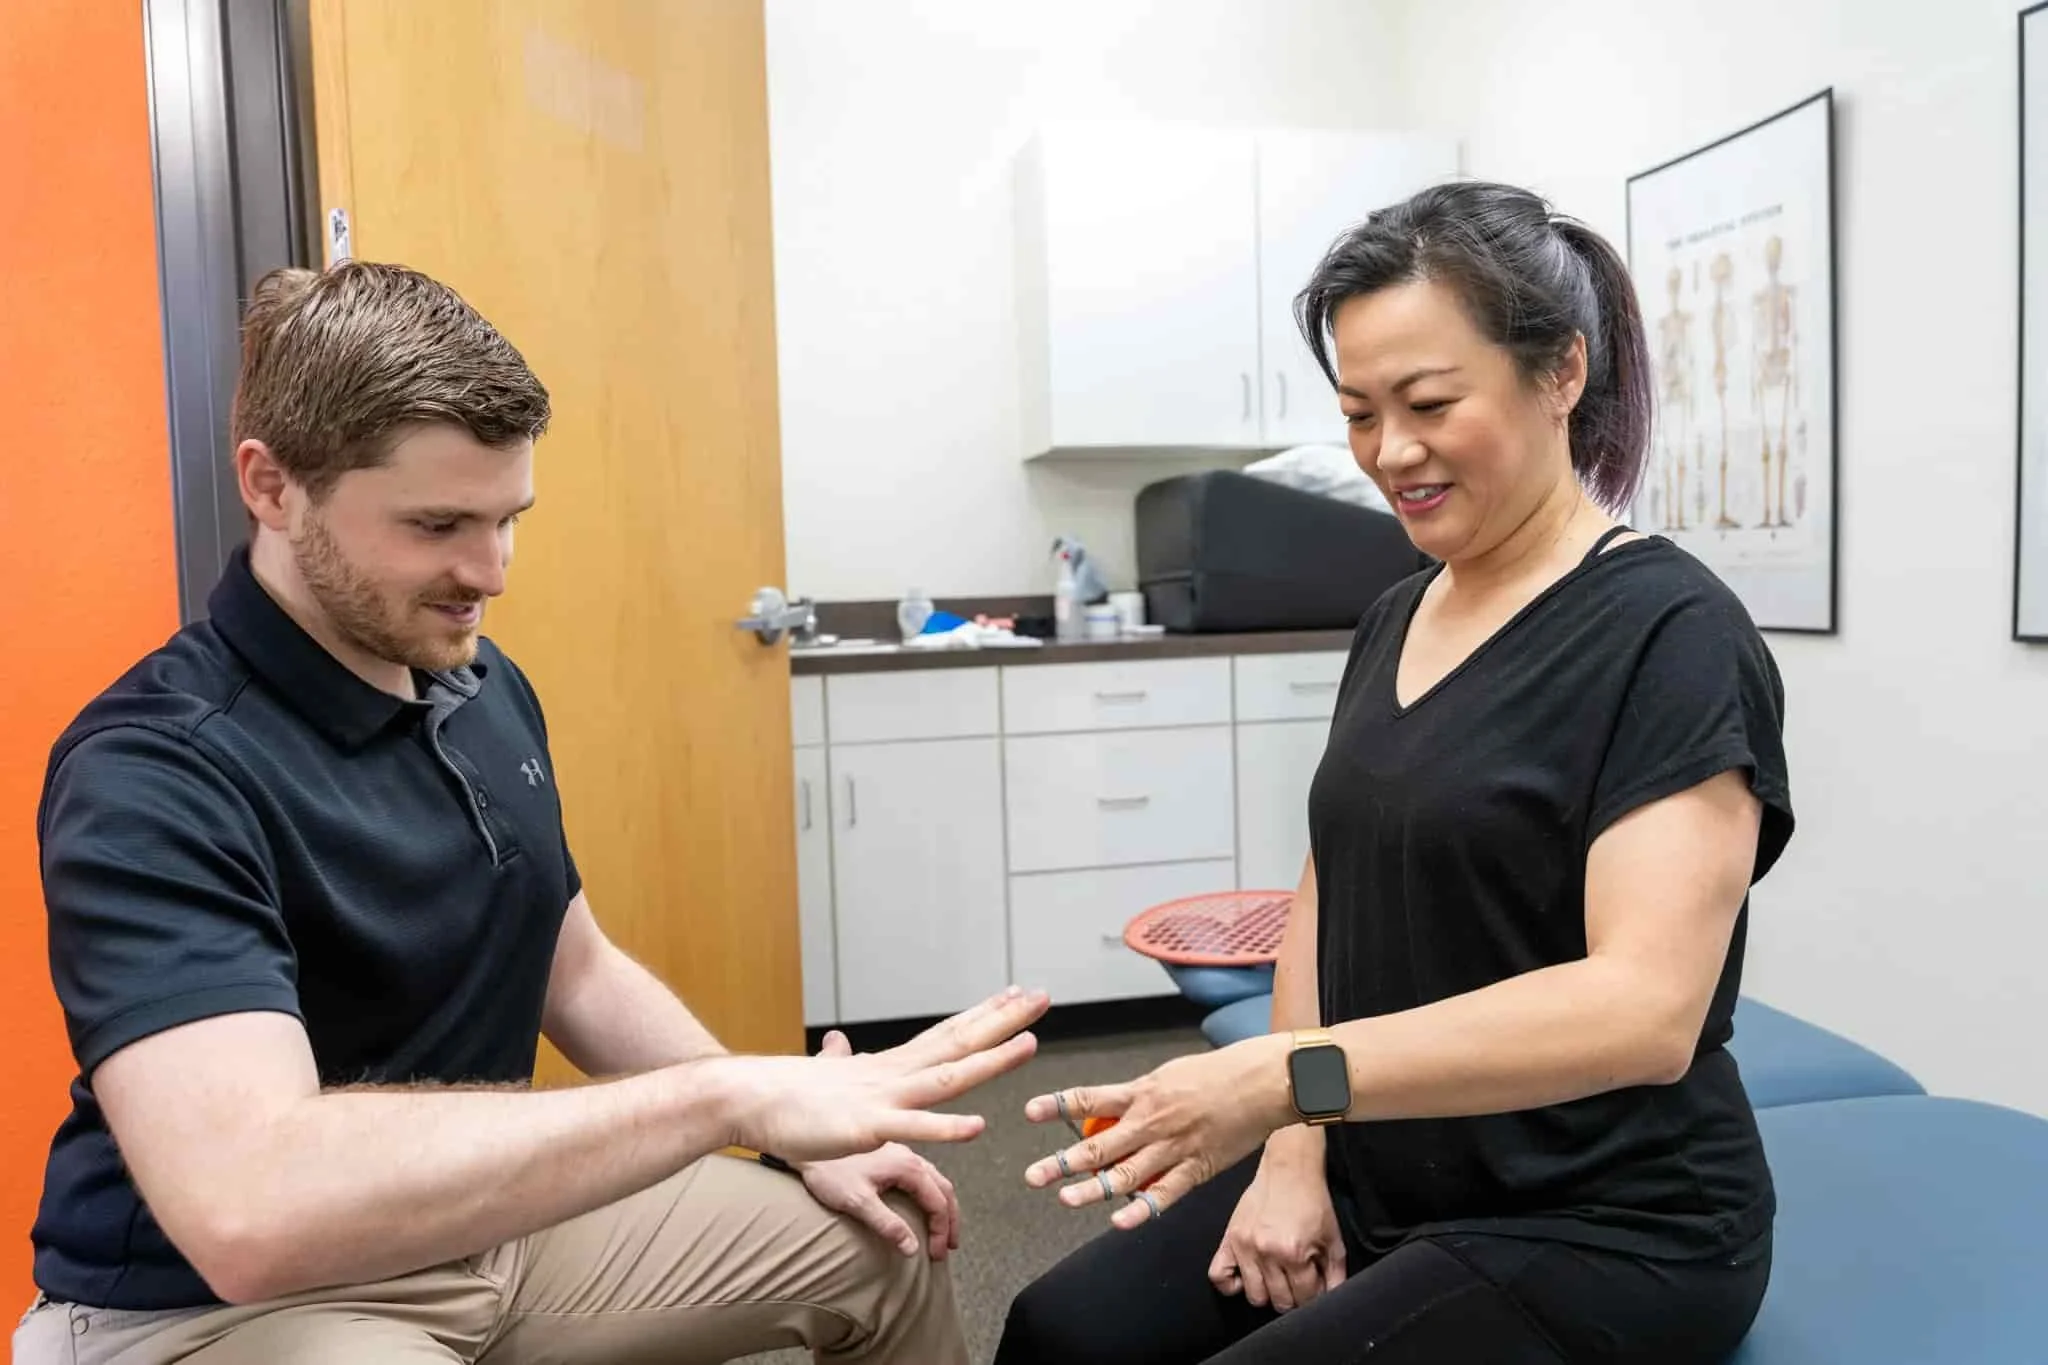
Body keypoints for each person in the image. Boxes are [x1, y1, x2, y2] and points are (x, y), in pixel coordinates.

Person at [15, 260, 1049, 1365]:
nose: (491, 571)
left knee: (878, 1247)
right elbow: (248, 1212)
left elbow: (578, 972)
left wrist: (799, 1136)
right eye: (438, 524)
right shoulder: (155, 770)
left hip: (488, 1239)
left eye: (509, 519)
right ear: (272, 488)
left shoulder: (476, 681)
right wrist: (728, 1099)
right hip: (221, 1305)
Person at [996, 180, 1795, 1364]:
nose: (1390, 453)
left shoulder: (1669, 633)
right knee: (1056, 1330)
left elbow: (1643, 1011)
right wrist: (1291, 1151)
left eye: (1427, 402)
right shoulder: (1394, 614)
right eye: (1359, 412)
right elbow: (1329, 891)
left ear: (1560, 372)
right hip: (1376, 1152)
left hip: (1599, 1218)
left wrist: (1287, 1078)